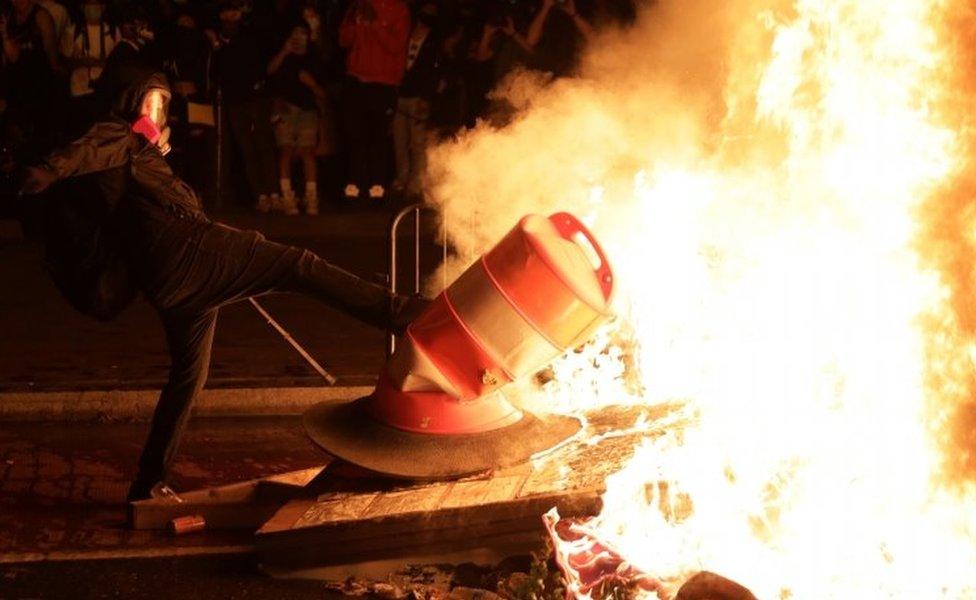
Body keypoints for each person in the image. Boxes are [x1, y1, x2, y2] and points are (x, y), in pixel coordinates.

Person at [18, 70, 427, 504]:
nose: (157, 113)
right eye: (150, 104)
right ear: (131, 103)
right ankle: (402, 313)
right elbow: (83, 152)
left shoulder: (136, 153)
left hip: (173, 283)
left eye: (162, 106)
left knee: (188, 379)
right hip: (191, 254)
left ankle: (148, 482)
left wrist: (151, 156)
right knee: (299, 265)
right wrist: (47, 170)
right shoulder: (117, 135)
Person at [211, 1, 282, 213]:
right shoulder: (219, 38)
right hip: (235, 100)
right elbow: (218, 69)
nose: (231, 17)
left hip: (256, 97)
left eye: (234, 12)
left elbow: (260, 60)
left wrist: (261, 86)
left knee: (264, 145)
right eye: (227, 12)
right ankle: (261, 195)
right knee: (247, 149)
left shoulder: (251, 33)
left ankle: (274, 193)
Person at [338, 0, 409, 202]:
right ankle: (355, 183)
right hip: (355, 79)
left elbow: (396, 45)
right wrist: (356, 23)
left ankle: (377, 185)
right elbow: (344, 40)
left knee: (378, 137)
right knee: (355, 135)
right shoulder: (356, 6)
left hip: (383, 83)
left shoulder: (398, 8)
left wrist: (375, 24)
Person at [267, 21, 327, 215]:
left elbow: (322, 92)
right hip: (284, 110)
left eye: (302, 33)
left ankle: (311, 197)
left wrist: (311, 84)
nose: (298, 38)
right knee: (286, 151)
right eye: (295, 33)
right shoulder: (284, 56)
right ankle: (287, 197)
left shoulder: (314, 58)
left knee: (307, 152)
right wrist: (284, 51)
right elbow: (270, 71)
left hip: (308, 111)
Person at [1, 0, 63, 160]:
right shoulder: (8, 17)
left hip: (37, 83)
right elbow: (9, 57)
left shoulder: (41, 17)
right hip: (14, 84)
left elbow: (52, 57)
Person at [391, 2, 438, 199]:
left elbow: (433, 73)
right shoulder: (405, 34)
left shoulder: (434, 40)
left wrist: (426, 98)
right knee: (399, 140)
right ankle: (401, 179)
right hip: (400, 95)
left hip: (418, 97)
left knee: (418, 143)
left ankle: (415, 185)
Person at [64, 0, 117, 135]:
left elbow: (119, 61)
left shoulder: (112, 31)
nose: (92, 8)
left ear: (103, 7)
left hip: (105, 92)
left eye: (95, 4)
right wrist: (81, 62)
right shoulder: (73, 31)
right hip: (79, 90)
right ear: (82, 7)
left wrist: (103, 63)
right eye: (88, 4)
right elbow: (64, 61)